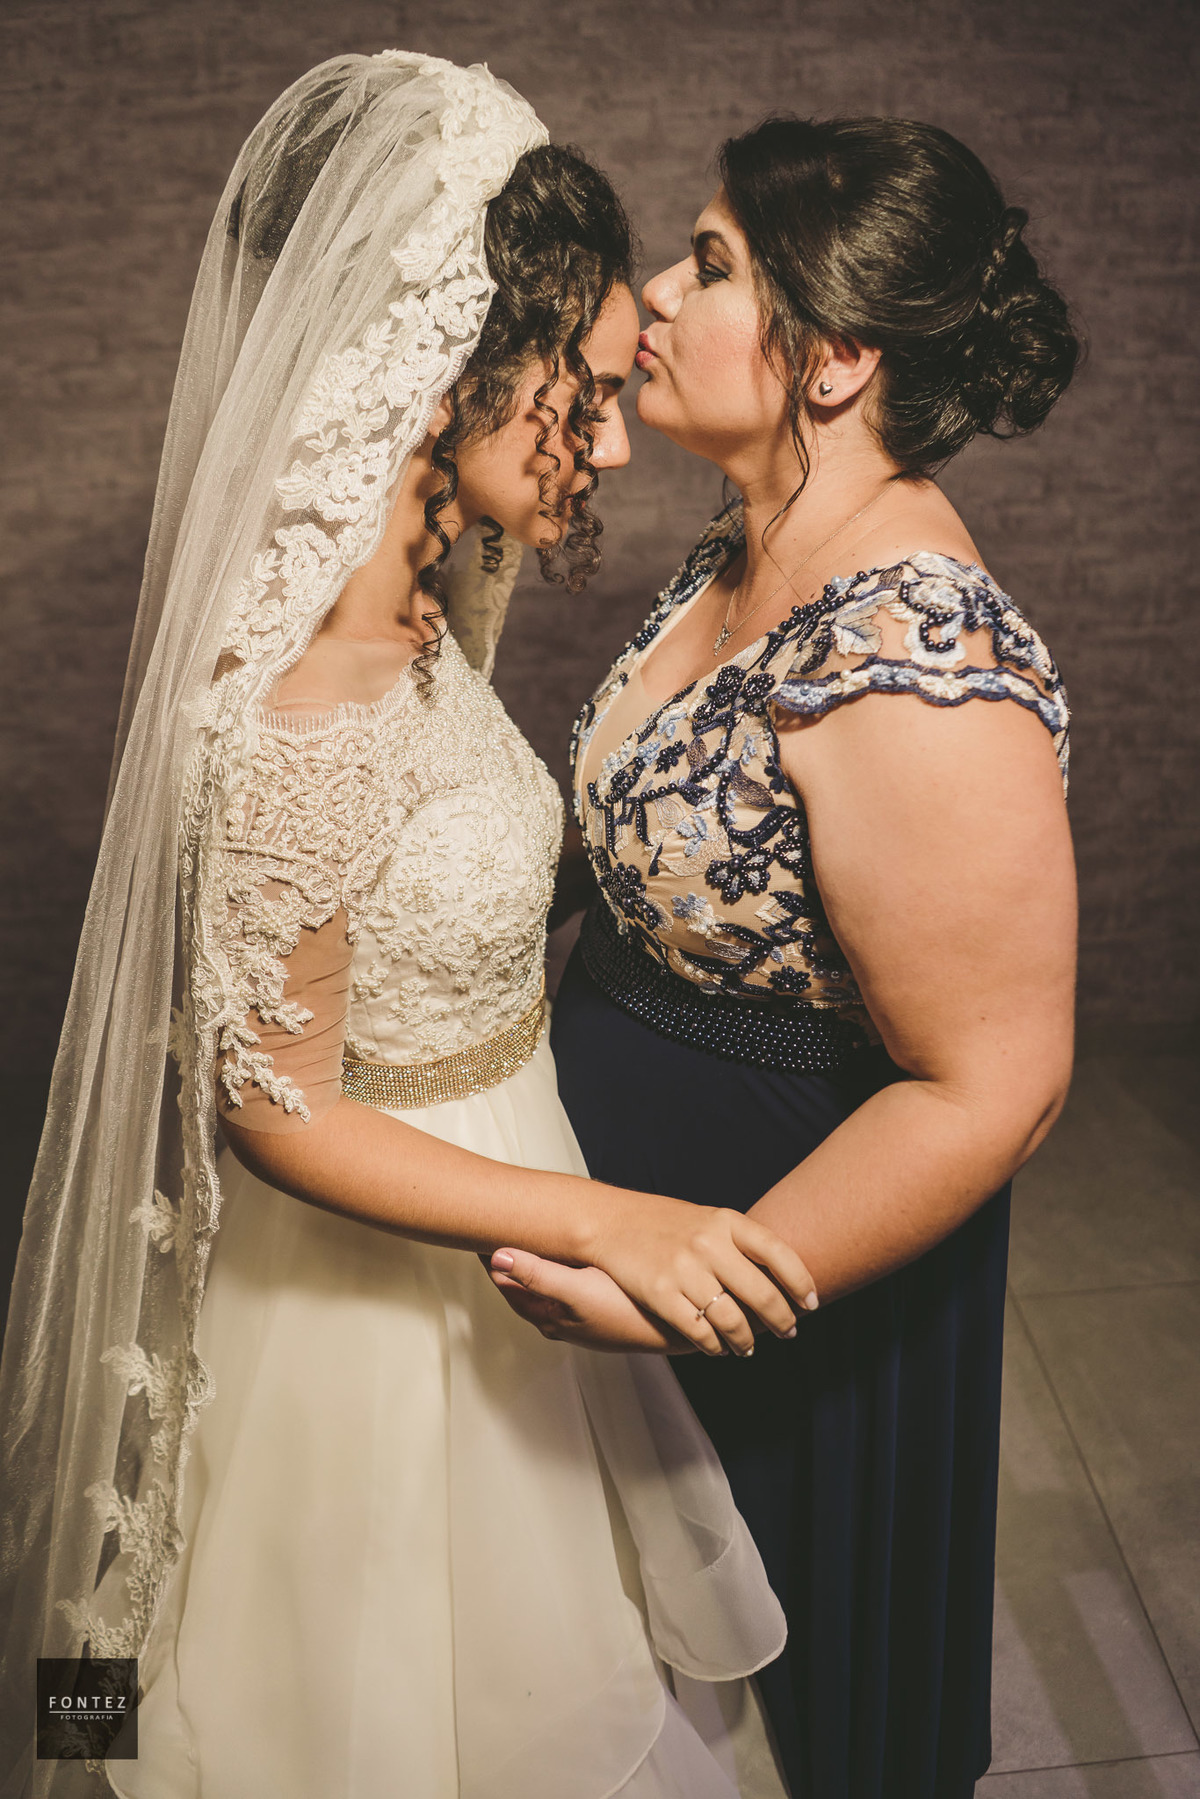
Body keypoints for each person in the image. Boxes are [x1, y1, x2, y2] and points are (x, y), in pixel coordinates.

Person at [0, 58, 821, 1799]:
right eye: (585, 394)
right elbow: (276, 1112)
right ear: (455, 370)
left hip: (501, 1193)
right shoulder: (303, 707)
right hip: (379, 1304)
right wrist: (608, 1218)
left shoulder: (424, 602)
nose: (614, 442)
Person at [490, 116, 1079, 1798]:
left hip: (779, 1264)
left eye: (713, 263)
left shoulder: (915, 651)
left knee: (782, 1703)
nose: (657, 294)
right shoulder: (750, 543)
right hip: (632, 1201)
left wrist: (708, 1282)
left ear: (837, 361)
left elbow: (997, 1085)